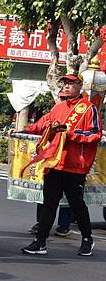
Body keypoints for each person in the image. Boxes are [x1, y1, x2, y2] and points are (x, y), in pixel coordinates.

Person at [20, 73, 101, 256]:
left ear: (80, 86)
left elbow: (95, 135)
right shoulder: (58, 108)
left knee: (76, 204)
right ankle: (40, 242)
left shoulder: (89, 109)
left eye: (71, 84)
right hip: (54, 161)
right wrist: (24, 129)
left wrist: (70, 134)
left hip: (75, 165)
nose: (66, 87)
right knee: (49, 203)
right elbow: (43, 124)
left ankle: (87, 238)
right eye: (64, 83)